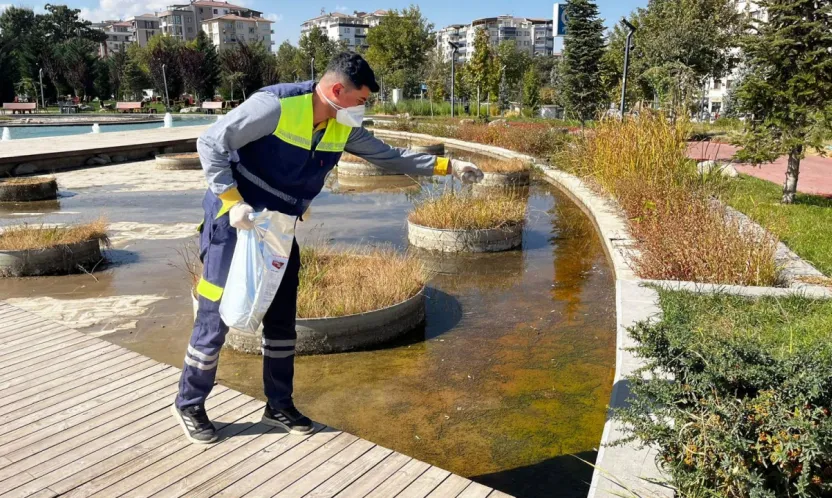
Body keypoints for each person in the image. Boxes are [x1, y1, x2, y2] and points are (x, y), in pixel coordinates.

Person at [172, 52, 484, 444]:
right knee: (215, 312)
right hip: (234, 222)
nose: (362, 109)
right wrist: (233, 202)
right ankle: (190, 403)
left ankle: (278, 404)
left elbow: (389, 157)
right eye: (360, 100)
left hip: (278, 229)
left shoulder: (341, 126)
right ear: (337, 90)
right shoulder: (275, 106)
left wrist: (448, 167)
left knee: (282, 315)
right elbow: (211, 142)